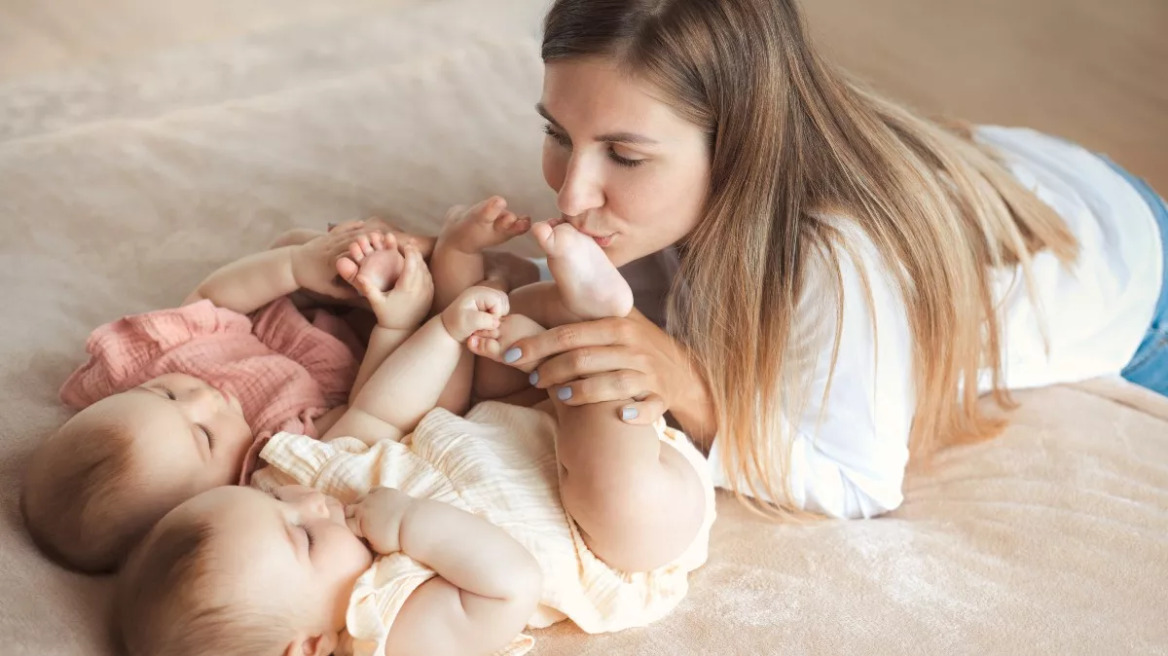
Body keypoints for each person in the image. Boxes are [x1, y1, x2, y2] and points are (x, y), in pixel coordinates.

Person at [461, 0, 1166, 520]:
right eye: (558, 133)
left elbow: (860, 481)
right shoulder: (693, 180)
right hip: (1025, 169)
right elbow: (607, 295)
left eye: (625, 155)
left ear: (738, 145)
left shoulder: (840, 261)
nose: (572, 191)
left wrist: (693, 388)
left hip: (1139, 274)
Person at [115, 202, 714, 656]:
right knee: (613, 494)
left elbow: (379, 413)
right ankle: (599, 317)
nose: (309, 502)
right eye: (304, 538)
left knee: (498, 340)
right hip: (611, 532)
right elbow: (510, 582)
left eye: (270, 498)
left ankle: (511, 288)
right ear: (310, 649)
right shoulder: (390, 631)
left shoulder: (318, 484)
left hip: (507, 429)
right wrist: (406, 523)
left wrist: (446, 332)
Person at [19, 221, 425, 572]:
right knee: (431, 365)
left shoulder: (163, 361)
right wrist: (396, 327)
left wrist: (296, 266)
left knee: (292, 243)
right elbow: (371, 406)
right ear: (210, 500)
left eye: (164, 395)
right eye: (205, 436)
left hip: (291, 303)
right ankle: (425, 256)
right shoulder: (277, 463)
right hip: (367, 347)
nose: (203, 397)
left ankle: (377, 248)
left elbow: (214, 298)